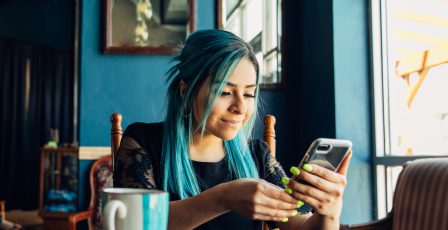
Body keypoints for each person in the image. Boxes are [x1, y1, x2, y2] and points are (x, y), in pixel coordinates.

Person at [113, 29, 352, 230]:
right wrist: (223, 198)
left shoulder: (257, 155)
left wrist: (329, 212)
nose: (240, 107)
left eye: (249, 94)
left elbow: (302, 225)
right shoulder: (141, 142)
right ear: (186, 91)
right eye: (224, 92)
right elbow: (133, 223)